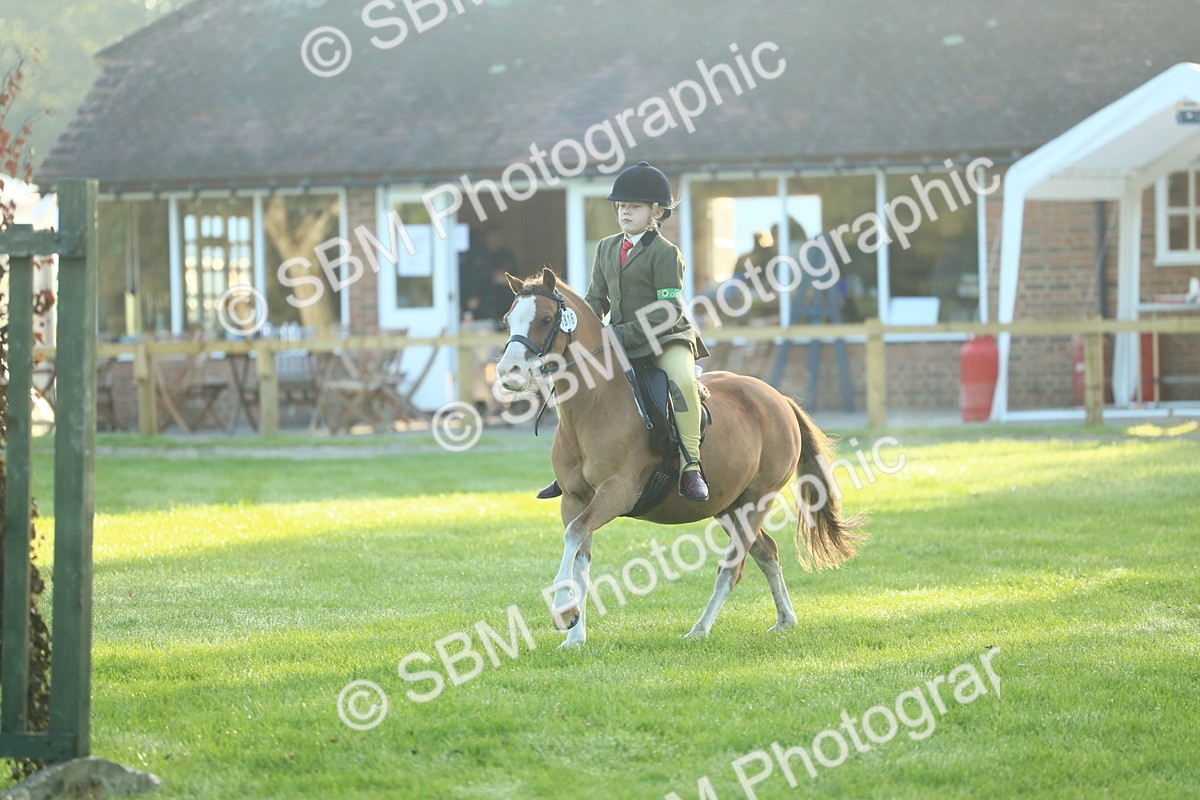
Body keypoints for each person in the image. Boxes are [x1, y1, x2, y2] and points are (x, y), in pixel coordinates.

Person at [538, 161, 712, 502]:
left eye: (633, 206)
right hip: (616, 340)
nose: (624, 212)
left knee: (682, 381)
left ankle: (692, 465)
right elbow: (594, 301)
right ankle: (569, 467)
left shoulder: (666, 253)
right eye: (620, 206)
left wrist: (619, 334)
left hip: (665, 338)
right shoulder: (605, 248)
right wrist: (582, 329)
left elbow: (669, 309)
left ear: (656, 212)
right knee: (570, 379)